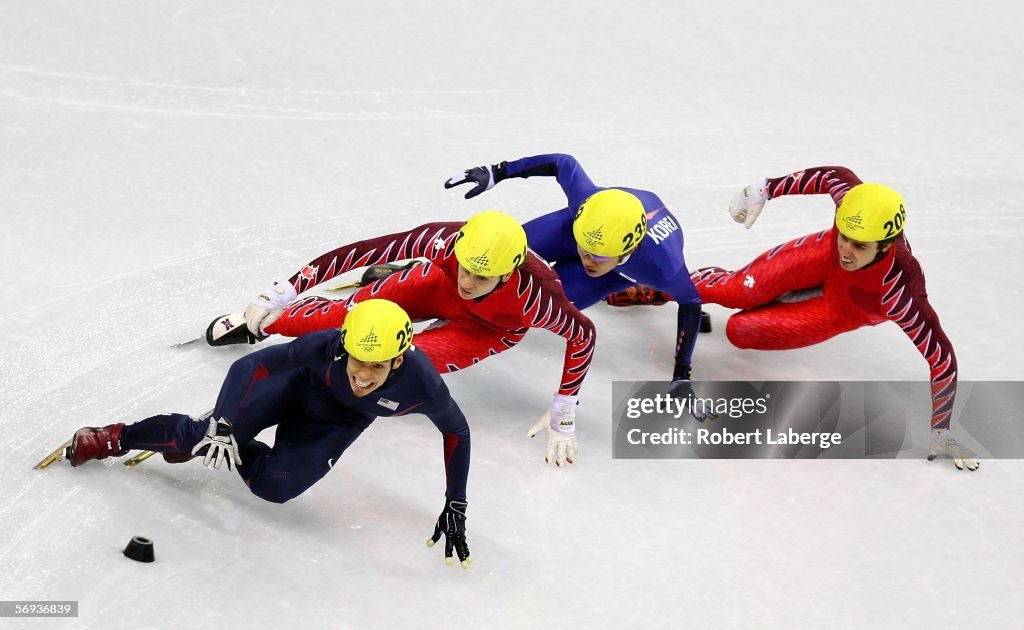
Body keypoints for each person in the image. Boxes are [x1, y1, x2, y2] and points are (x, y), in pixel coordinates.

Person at [606, 165, 977, 471]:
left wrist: (940, 430)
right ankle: (664, 290)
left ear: (886, 244)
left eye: (859, 246)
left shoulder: (902, 289)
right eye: (844, 236)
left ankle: (745, 294)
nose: (847, 250)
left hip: (841, 308)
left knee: (740, 329)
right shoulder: (854, 206)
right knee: (734, 290)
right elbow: (834, 174)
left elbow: (941, 359)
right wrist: (764, 189)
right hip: (819, 258)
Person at [67, 299, 475, 567]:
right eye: (357, 360)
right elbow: (249, 368)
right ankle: (112, 437)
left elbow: (456, 431)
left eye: (377, 366)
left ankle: (237, 443)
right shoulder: (327, 346)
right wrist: (224, 424)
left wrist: (455, 501)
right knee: (205, 436)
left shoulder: (423, 386)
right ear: (345, 346)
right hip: (294, 386)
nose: (363, 375)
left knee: (276, 487)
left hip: (336, 423)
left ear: (399, 359)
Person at [214, 210, 594, 466]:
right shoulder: (444, 243)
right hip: (435, 287)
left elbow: (583, 336)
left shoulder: (538, 297)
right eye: (465, 268)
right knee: (344, 320)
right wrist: (287, 289)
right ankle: (273, 322)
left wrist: (564, 408)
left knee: (400, 367)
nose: (468, 281)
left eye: (481, 277)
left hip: (487, 328)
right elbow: (361, 251)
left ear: (508, 273)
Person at [444, 153, 714, 420]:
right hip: (582, 226)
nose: (587, 260)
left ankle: (638, 290)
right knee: (503, 252)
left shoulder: (663, 267)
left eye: (597, 256)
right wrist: (498, 171)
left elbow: (690, 303)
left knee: (549, 302)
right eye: (583, 250)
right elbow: (563, 163)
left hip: (624, 271)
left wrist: (682, 375)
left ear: (627, 251)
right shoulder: (586, 205)